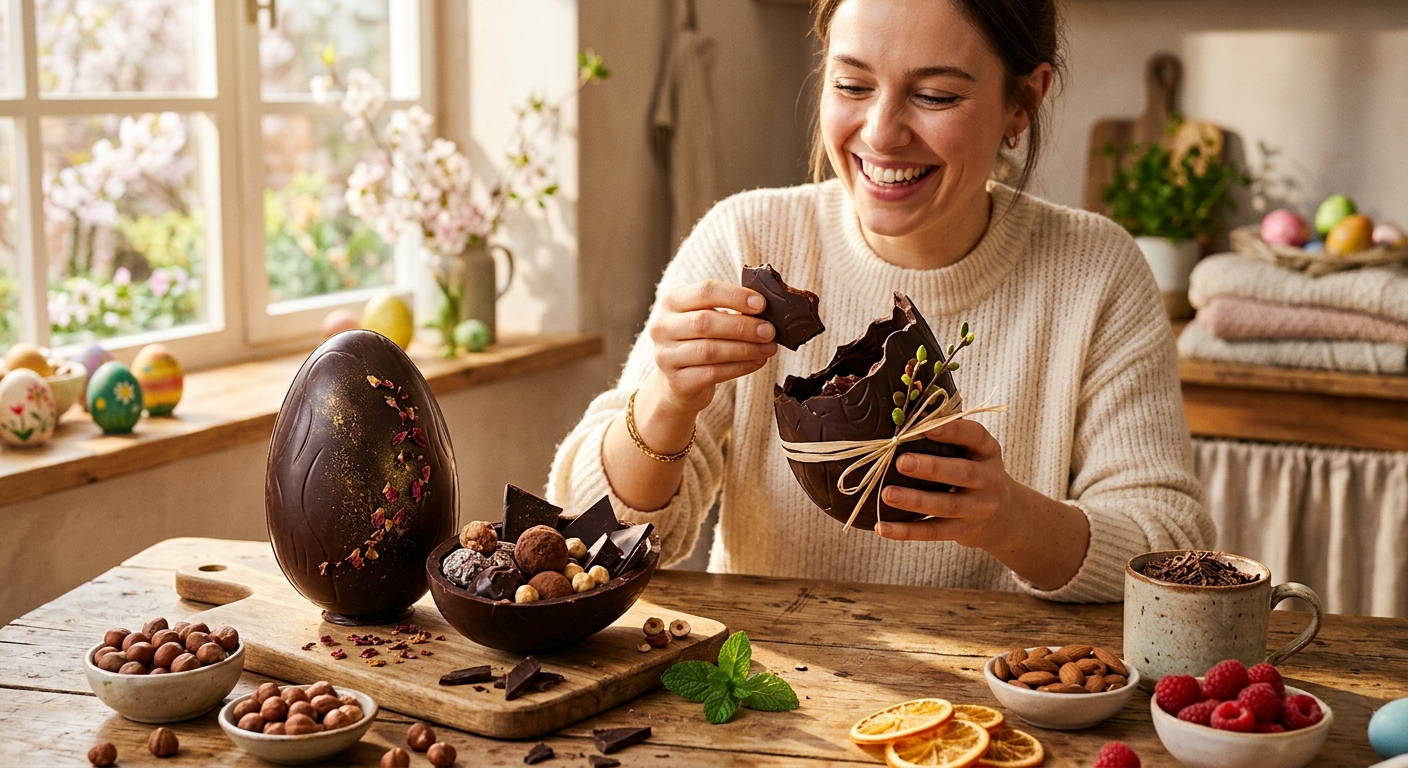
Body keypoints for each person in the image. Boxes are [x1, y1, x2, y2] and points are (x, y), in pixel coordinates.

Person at [548, 0, 1213, 601]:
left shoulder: (1095, 272)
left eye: (934, 94)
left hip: (1000, 711)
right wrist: (667, 401)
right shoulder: (746, 238)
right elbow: (590, 541)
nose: (882, 131)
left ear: (1022, 102)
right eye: (852, 85)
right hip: (770, 697)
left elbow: (1170, 548)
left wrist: (1010, 519)